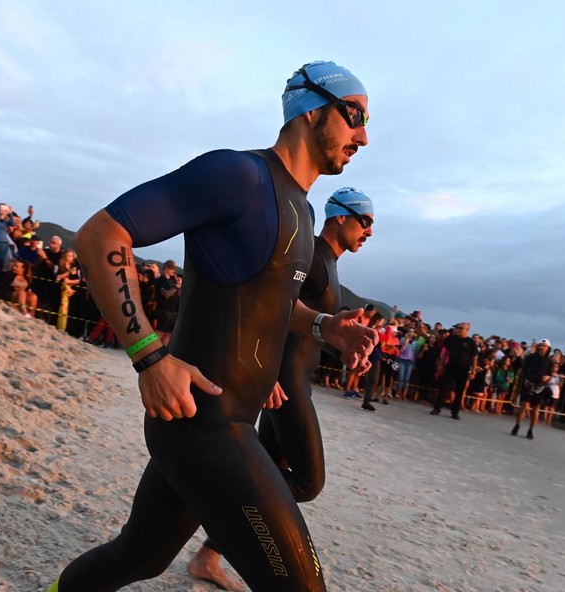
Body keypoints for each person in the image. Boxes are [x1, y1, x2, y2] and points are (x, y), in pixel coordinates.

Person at [48, 60, 374, 592]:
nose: (362, 135)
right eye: (354, 115)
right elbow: (102, 235)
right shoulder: (237, 176)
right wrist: (149, 355)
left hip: (221, 421)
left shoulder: (304, 212)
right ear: (311, 111)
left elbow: (268, 299)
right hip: (205, 425)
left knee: (136, 558)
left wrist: (323, 329)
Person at [187, 187, 374, 590]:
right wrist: (265, 369)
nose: (370, 231)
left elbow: (304, 324)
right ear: (339, 216)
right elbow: (269, 306)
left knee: (269, 471)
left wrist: (341, 345)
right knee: (307, 481)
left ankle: (207, 557)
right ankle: (220, 510)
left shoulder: (329, 264)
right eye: (365, 220)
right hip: (285, 385)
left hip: (292, 380)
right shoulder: (311, 257)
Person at [430, 322, 478, 420]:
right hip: (451, 366)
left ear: (467, 330)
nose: (458, 329)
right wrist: (441, 365)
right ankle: (437, 408)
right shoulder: (452, 339)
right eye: (458, 328)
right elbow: (446, 353)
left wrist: (473, 372)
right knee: (444, 387)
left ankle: (455, 412)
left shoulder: (471, 343)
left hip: (463, 369)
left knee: (459, 391)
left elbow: (474, 358)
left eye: (461, 328)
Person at [510, 338, 553, 439]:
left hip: (540, 386)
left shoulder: (549, 361)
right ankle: (517, 425)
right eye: (540, 345)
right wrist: (525, 379)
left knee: (536, 409)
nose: (542, 347)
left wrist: (548, 377)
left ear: (548, 348)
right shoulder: (531, 357)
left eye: (544, 346)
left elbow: (551, 374)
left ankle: (531, 430)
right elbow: (524, 369)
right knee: (524, 406)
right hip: (528, 383)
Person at [153, 259, 181, 346]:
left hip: (173, 311)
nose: (174, 271)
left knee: (168, 334)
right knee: (159, 333)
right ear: (166, 268)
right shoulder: (161, 280)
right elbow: (166, 294)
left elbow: (178, 294)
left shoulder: (172, 280)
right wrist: (176, 286)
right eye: (172, 268)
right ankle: (151, 349)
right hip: (163, 310)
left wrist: (179, 285)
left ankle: (163, 351)